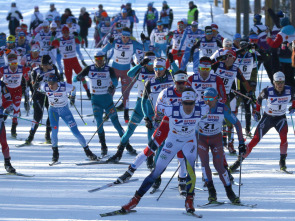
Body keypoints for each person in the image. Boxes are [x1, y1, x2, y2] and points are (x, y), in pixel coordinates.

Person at [118, 88, 202, 214]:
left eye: (191, 103)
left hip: (189, 142)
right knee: (156, 172)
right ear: (181, 102)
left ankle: (189, 200)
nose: (188, 107)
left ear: (195, 103)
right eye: (185, 103)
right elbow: (156, 108)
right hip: (172, 142)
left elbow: (215, 104)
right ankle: (134, 200)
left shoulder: (201, 109)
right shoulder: (172, 110)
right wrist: (146, 98)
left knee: (191, 170)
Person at [107, 55, 178, 163]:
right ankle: (119, 151)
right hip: (141, 103)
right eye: (148, 63)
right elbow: (129, 74)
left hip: (155, 106)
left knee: (152, 133)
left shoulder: (166, 74)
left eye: (152, 63)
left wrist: (172, 63)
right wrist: (140, 65)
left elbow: (178, 74)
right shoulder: (142, 70)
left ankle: (150, 157)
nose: (151, 66)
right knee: (130, 130)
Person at [230, 72, 294, 173]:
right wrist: (256, 112)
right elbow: (258, 99)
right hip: (268, 118)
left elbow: (294, 97)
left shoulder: (289, 89)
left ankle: (282, 161)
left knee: (284, 138)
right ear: (274, 82)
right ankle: (239, 161)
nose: (280, 85)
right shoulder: (268, 91)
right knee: (255, 140)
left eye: (282, 82)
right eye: (277, 83)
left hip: (280, 118)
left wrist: (293, 106)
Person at [73, 50, 133, 157]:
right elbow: (76, 78)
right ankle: (103, 146)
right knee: (99, 123)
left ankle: (127, 145)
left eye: (101, 59)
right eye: (97, 59)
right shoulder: (89, 68)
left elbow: (115, 81)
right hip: (96, 100)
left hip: (107, 101)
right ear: (95, 59)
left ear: (104, 59)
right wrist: (78, 77)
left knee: (117, 124)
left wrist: (112, 86)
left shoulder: (109, 69)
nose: (99, 61)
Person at [37, 73, 97, 163]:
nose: (50, 86)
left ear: (57, 82)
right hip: (53, 111)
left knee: (75, 131)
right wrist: (36, 82)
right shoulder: (45, 86)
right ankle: (55, 153)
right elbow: (38, 86)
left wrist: (72, 97)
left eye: (52, 83)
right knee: (54, 131)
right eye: (49, 83)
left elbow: (74, 88)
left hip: (65, 111)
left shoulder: (64, 86)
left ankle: (88, 151)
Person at [199, 87, 244, 204]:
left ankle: (230, 192)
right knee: (204, 164)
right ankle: (211, 193)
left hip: (216, 139)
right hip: (201, 139)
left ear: (216, 99)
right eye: (205, 98)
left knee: (219, 166)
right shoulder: (198, 106)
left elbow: (237, 124)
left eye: (211, 99)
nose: (207, 102)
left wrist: (241, 143)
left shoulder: (222, 108)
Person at [102, 27, 143, 123]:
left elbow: (145, 47)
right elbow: (103, 50)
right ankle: (107, 113)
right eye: (124, 37)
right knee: (111, 91)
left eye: (127, 37)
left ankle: (126, 113)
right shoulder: (116, 42)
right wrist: (109, 42)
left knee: (125, 93)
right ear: (121, 36)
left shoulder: (133, 43)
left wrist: (144, 41)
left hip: (126, 71)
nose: (125, 39)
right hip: (115, 71)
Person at [21, 55, 60, 146]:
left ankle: (47, 135)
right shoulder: (35, 71)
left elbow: (59, 80)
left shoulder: (54, 68)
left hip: (50, 95)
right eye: (49, 64)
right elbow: (33, 86)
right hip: (38, 95)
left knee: (52, 114)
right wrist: (37, 81)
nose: (51, 65)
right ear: (44, 65)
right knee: (38, 116)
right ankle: (30, 137)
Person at [51, 25, 91, 98]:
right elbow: (52, 43)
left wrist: (77, 35)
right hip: (66, 61)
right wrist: (52, 36)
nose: (66, 34)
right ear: (62, 33)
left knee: (82, 76)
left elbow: (81, 41)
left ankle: (87, 91)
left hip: (74, 60)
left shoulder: (73, 38)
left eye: (67, 32)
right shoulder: (60, 40)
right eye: (64, 33)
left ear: (69, 32)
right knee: (68, 79)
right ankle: (70, 94)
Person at [0, 53, 30, 138]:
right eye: (12, 64)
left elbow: (27, 77)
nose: (14, 66)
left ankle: (13, 129)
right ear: (9, 63)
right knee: (4, 107)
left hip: (17, 90)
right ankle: (1, 125)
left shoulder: (21, 69)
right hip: (7, 91)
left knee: (16, 108)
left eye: (16, 63)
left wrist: (28, 77)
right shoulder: (4, 70)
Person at [266, 17, 295, 87]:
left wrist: (268, 38)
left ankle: (288, 95)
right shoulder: (294, 31)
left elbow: (274, 44)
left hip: (283, 59)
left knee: (286, 80)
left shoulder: (282, 33)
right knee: (291, 78)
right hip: (293, 59)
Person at [0, 79, 16, 173]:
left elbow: (9, 99)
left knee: (3, 141)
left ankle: (7, 164)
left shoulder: (1, 84)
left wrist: (2, 108)